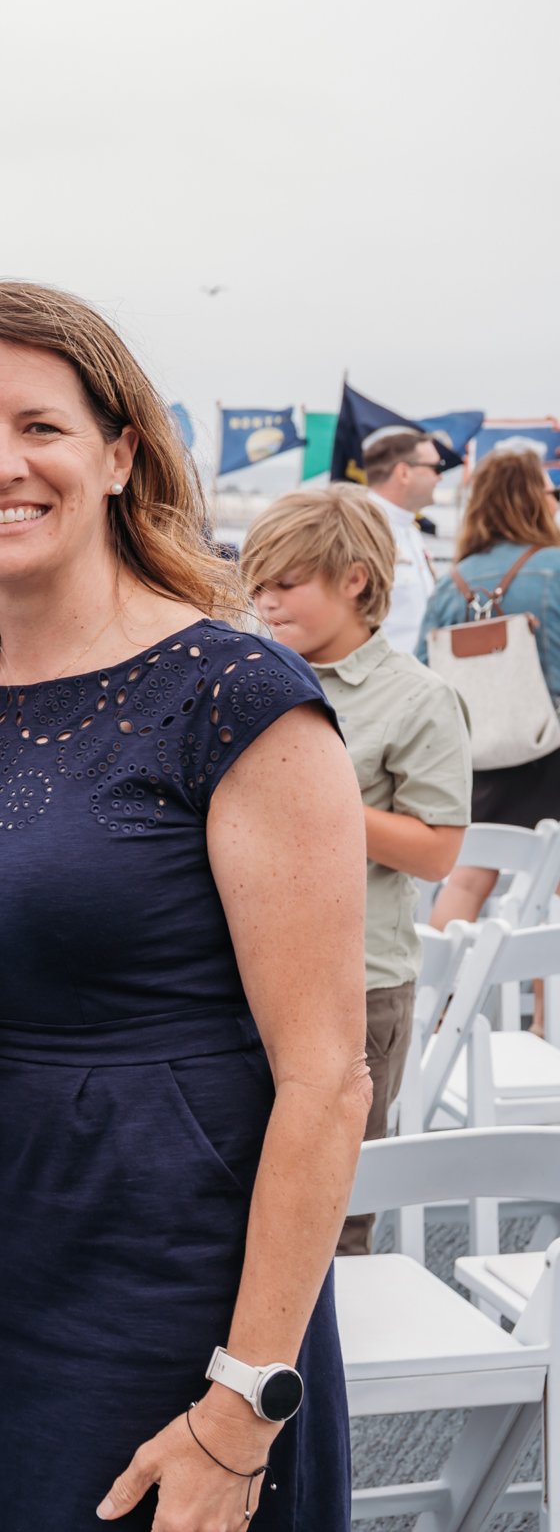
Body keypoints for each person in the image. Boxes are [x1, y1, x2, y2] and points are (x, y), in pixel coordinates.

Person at [0, 281, 367, 1528]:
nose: (1, 465)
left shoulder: (233, 692)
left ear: (117, 454)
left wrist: (244, 1400)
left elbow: (328, 1079)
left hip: (186, 1294)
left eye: (40, 426)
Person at [242, 484, 471, 1253]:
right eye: (258, 586)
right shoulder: (247, 678)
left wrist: (319, 798)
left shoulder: (419, 698)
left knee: (334, 1218)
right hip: (243, 974)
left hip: (360, 983)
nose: (266, 603)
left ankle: (333, 1375)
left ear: (356, 581)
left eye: (285, 584)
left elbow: (439, 848)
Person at [422, 443, 560, 926]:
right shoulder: (555, 567)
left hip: (477, 752)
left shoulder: (450, 582)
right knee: (553, 896)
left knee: (468, 878)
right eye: (550, 491)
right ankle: (548, 1006)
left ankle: (438, 997)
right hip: (550, 747)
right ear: (529, 498)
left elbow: (424, 674)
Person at [360, 424, 445, 650]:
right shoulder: (359, 529)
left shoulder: (411, 531)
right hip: (381, 679)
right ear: (404, 473)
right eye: (436, 467)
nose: (441, 478)